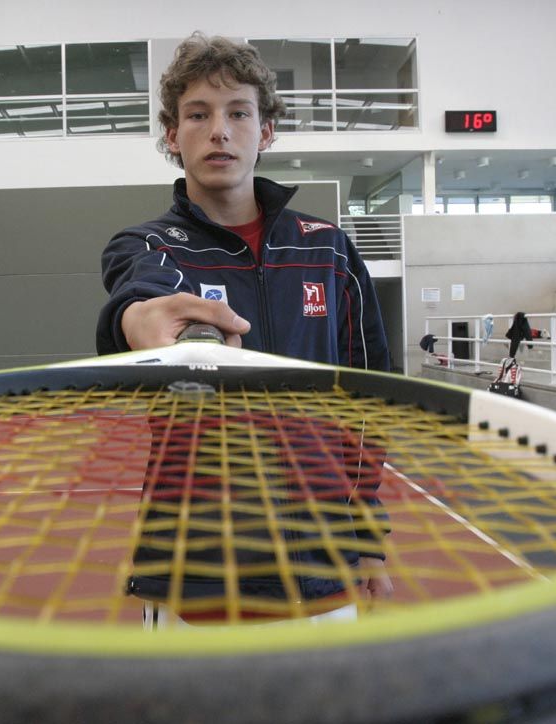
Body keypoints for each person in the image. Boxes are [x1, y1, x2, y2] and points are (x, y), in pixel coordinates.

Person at [96, 33, 392, 615]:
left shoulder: (330, 251)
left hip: (320, 558)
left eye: (239, 113)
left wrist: (370, 539)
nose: (219, 131)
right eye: (197, 115)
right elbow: (137, 290)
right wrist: (137, 319)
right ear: (173, 136)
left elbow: (369, 402)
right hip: (194, 564)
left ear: (268, 130)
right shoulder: (151, 245)